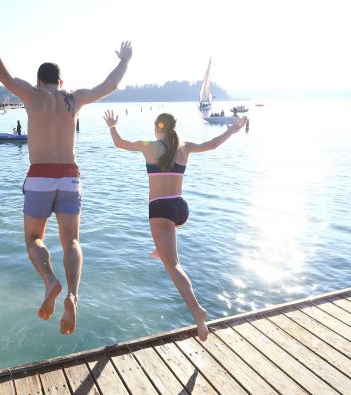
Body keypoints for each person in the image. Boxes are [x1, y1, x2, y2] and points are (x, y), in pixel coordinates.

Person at [0, 0, 132, 335]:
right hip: (69, 176)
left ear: (39, 81)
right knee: (72, 242)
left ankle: (50, 281)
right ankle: (74, 296)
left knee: (34, 239)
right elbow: (110, 85)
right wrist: (125, 60)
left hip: (38, 177)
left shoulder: (31, 94)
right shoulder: (75, 98)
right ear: (61, 81)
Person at [103, 109, 247, 341]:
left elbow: (119, 143)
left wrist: (112, 125)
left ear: (157, 128)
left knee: (173, 266)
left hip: (160, 210)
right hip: (180, 209)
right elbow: (212, 144)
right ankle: (161, 249)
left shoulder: (148, 146)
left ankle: (198, 312)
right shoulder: (185, 147)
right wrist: (233, 129)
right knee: (166, 242)